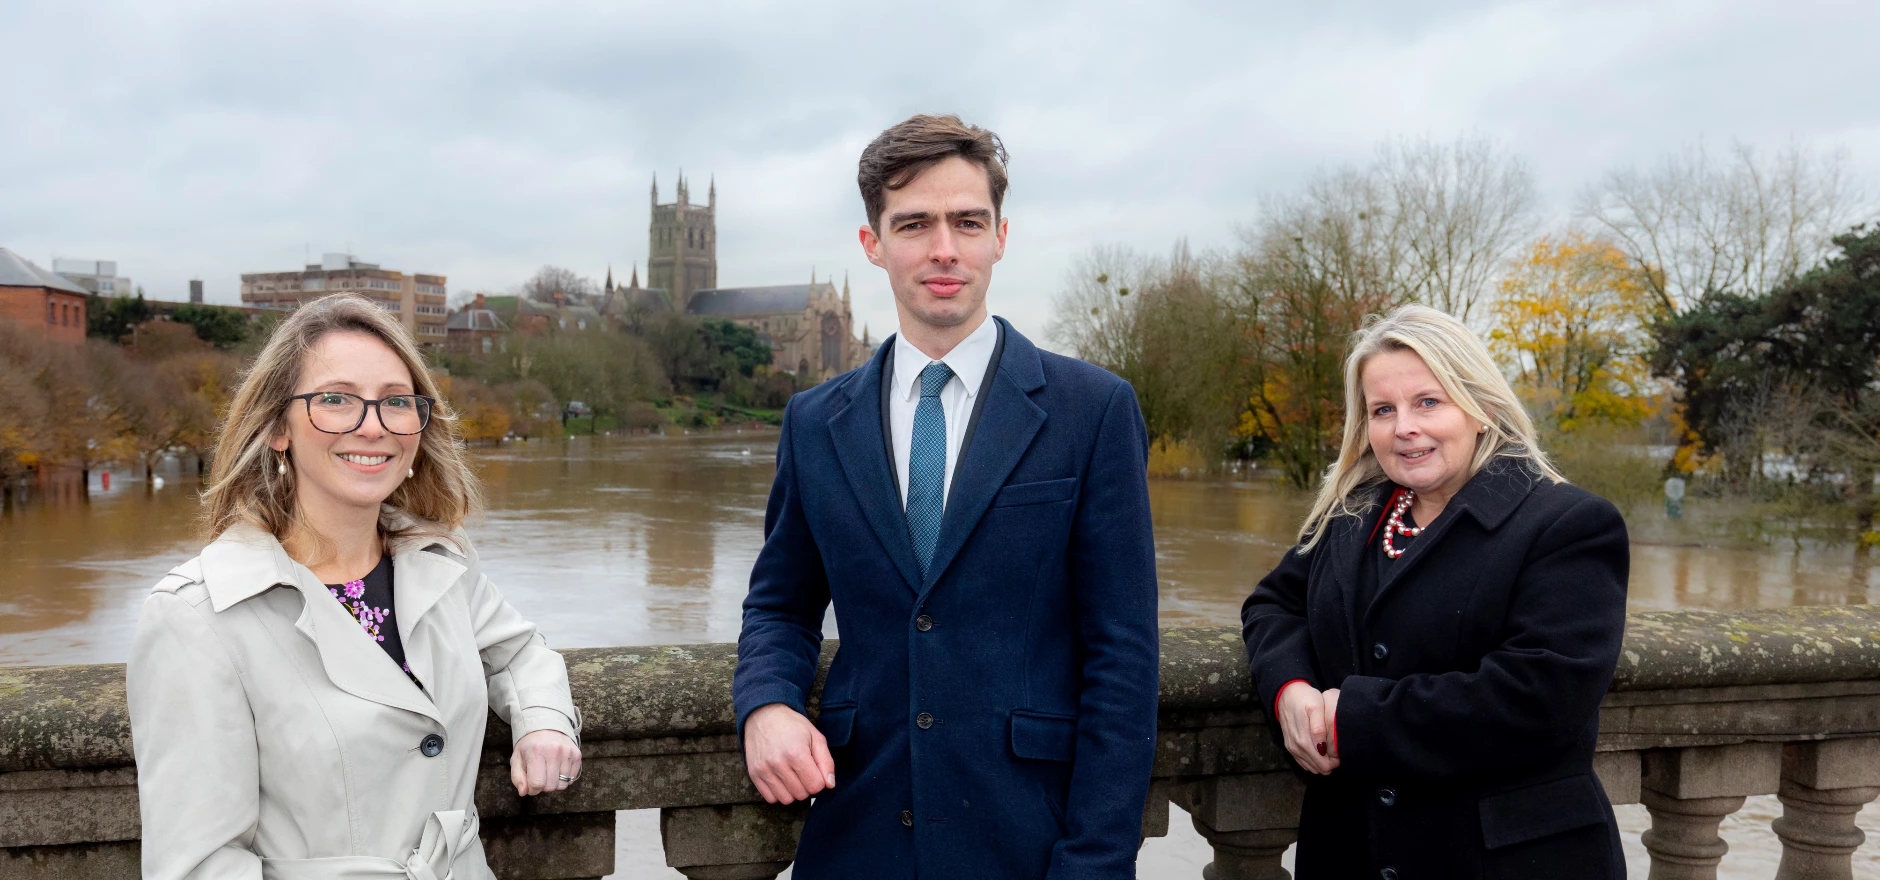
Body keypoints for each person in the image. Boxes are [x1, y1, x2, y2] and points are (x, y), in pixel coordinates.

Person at [731, 114, 1160, 879]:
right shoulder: (814, 422)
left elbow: (1123, 658)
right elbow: (779, 604)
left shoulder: (1091, 410)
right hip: (857, 835)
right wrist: (767, 704)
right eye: (914, 224)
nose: (944, 249)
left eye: (968, 222)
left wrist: (1094, 862)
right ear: (873, 244)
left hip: (1029, 839)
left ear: (1000, 235)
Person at [127, 294, 581, 880]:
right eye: (336, 400)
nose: (374, 427)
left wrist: (543, 721)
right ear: (275, 428)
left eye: (396, 402)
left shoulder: (439, 558)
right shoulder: (196, 615)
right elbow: (197, 867)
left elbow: (520, 653)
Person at [1241, 304, 1629, 879]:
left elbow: (1541, 696)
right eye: (1382, 410)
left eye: (1428, 402)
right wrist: (1290, 691)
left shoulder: (1567, 523)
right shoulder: (1351, 515)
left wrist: (1357, 719)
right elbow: (1273, 604)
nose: (1404, 427)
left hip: (1508, 862)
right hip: (1351, 853)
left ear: (1482, 406)